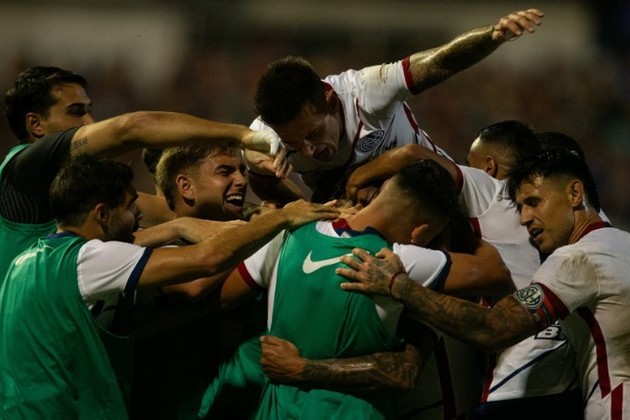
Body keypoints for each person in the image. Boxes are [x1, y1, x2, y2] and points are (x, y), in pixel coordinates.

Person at [0, 154, 337, 419]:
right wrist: (279, 219)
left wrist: (205, 300)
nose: (138, 216)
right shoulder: (92, 258)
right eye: (130, 207)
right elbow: (206, 260)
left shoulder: (25, 262)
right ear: (102, 214)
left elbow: (134, 325)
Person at [198, 159, 511, 419]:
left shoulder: (287, 233)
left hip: (276, 410)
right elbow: (494, 272)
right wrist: (455, 231)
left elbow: (223, 297)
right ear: (419, 231)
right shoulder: (398, 261)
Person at [338, 149, 629, 419]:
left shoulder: (579, 259)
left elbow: (494, 328)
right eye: (520, 207)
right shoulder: (622, 243)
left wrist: (398, 285)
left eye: (533, 202)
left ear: (575, 193)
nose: (525, 219)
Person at [0, 66, 286, 281]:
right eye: (76, 112)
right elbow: (132, 128)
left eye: (89, 110)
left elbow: (164, 212)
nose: (89, 121)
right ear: (35, 125)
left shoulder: (71, 188)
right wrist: (242, 136)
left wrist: (256, 211)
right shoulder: (25, 168)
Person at [245, 8, 544, 203]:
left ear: (331, 101)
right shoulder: (268, 139)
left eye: (313, 134)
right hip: (367, 215)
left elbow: (440, 62)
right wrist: (307, 210)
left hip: (440, 195)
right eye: (294, 143)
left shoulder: (367, 92)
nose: (308, 151)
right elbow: (262, 181)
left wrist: (493, 35)